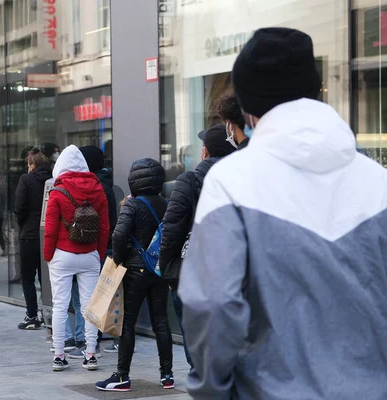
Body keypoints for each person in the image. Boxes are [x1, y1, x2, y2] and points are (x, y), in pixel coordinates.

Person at [180, 27, 387, 399]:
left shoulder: (231, 182)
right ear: (314, 88)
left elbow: (213, 304)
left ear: (247, 110)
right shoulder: (379, 183)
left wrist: (210, 391)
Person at [158, 124, 236, 370]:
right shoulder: (243, 180)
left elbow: (172, 229)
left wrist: (167, 266)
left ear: (205, 152)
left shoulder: (189, 180)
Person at [95, 159, 174, 392]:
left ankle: (122, 376)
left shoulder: (132, 205)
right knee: (161, 321)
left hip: (135, 271)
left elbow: (119, 235)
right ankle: (167, 375)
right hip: (158, 270)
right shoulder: (167, 203)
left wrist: (118, 261)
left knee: (127, 322)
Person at [43, 145, 109, 372]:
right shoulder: (98, 190)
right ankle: (91, 354)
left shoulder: (57, 192)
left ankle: (59, 356)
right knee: (90, 307)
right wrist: (98, 254)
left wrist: (48, 256)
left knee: (60, 305)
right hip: (89, 254)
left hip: (62, 254)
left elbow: (50, 229)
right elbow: (104, 228)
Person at [65, 145, 117, 358]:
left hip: (92, 247)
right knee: (97, 295)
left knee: (85, 297)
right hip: (103, 245)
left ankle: (87, 342)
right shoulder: (106, 184)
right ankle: (91, 340)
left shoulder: (94, 187)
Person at [15, 148, 52, 330]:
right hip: (49, 234)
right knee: (47, 277)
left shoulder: (26, 180)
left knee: (28, 277)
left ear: (32, 165)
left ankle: (32, 315)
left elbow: (19, 207)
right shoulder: (54, 179)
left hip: (30, 234)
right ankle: (49, 315)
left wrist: (22, 224)